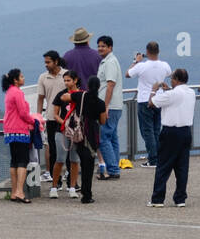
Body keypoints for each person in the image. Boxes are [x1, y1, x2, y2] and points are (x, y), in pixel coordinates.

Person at [147, 68, 196, 208]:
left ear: (176, 79)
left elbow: (151, 103)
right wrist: (169, 90)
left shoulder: (173, 94)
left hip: (170, 132)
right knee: (182, 167)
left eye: (172, 79)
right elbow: (174, 98)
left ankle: (158, 198)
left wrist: (153, 90)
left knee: (163, 166)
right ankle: (180, 198)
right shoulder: (191, 92)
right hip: (186, 132)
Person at [128, 42, 172, 167]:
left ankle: (153, 159)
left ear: (147, 51)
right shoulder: (165, 65)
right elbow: (169, 73)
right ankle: (158, 157)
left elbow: (128, 73)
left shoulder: (141, 66)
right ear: (158, 51)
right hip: (159, 99)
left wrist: (136, 61)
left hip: (144, 100)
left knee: (147, 131)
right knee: (156, 130)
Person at [2, 68, 38, 203]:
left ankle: (13, 191)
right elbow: (23, 113)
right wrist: (33, 121)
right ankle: (20, 192)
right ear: (15, 80)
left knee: (14, 161)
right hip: (19, 129)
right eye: (21, 77)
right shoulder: (18, 93)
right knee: (23, 160)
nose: (23, 78)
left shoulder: (9, 92)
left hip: (9, 129)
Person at [67, 77, 106, 204]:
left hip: (80, 134)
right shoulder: (100, 103)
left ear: (87, 86)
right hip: (92, 135)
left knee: (83, 162)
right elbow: (103, 121)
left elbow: (64, 98)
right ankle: (87, 194)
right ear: (99, 87)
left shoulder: (80, 96)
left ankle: (84, 192)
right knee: (88, 166)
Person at [50, 71, 83, 198]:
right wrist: (65, 123)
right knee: (60, 159)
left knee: (75, 160)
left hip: (76, 132)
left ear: (75, 80)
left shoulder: (81, 95)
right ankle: (54, 186)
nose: (66, 83)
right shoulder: (61, 95)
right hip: (62, 130)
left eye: (68, 80)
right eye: (65, 80)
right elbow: (55, 114)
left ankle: (72, 187)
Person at [96, 36, 124, 179]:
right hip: (114, 105)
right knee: (112, 137)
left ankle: (113, 169)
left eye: (103, 46)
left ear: (110, 47)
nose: (100, 48)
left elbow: (110, 85)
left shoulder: (110, 62)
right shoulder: (107, 61)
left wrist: (105, 106)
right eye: (99, 46)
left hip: (110, 106)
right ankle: (114, 167)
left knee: (103, 137)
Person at [36, 51, 65, 183]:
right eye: (45, 62)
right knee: (53, 149)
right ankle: (56, 179)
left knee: (68, 148)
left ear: (56, 61)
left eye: (48, 62)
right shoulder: (43, 77)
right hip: (51, 117)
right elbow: (40, 98)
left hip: (66, 118)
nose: (46, 65)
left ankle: (70, 178)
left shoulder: (66, 75)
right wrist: (38, 117)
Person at [63, 28, 101, 94]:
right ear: (88, 41)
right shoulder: (97, 55)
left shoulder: (67, 56)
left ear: (74, 42)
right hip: (93, 95)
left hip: (73, 96)